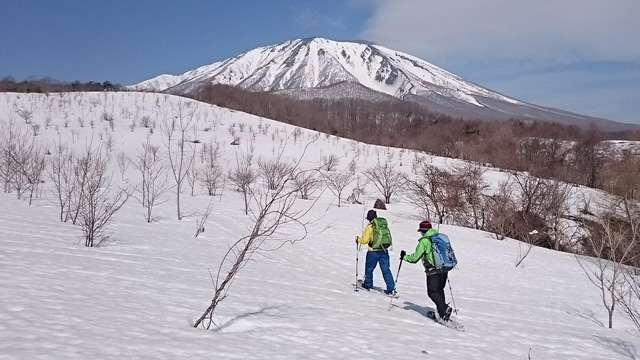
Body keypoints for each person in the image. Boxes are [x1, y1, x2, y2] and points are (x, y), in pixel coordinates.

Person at [400, 220, 453, 321]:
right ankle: (442, 314)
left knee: (432, 292)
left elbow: (414, 258)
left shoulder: (424, 241)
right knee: (439, 290)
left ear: (422, 231)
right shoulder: (438, 237)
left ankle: (444, 309)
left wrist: (404, 257)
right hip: (444, 268)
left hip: (433, 270)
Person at [355, 209, 396, 294]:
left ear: (369, 218)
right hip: (384, 250)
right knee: (386, 270)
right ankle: (391, 288)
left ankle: (368, 284)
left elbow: (365, 240)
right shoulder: (383, 226)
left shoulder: (370, 227)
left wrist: (358, 240)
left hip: (373, 251)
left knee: (369, 269)